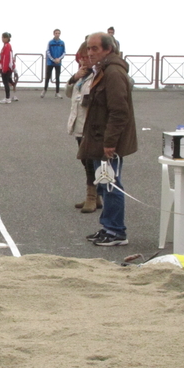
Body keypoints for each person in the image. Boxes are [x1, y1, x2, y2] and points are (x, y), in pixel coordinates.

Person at [78, 32, 138, 246]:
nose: (90, 53)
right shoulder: (100, 71)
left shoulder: (113, 72)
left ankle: (116, 231)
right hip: (97, 137)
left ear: (107, 50)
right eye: (88, 48)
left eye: (95, 48)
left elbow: (119, 110)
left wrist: (110, 142)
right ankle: (108, 227)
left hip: (107, 141)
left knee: (111, 185)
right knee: (103, 183)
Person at [65, 41, 101, 213]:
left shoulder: (98, 74)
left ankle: (92, 197)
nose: (84, 61)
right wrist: (74, 78)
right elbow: (68, 93)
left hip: (90, 124)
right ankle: (95, 195)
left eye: (86, 57)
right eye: (81, 57)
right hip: (79, 123)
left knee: (90, 161)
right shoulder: (82, 75)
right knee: (85, 160)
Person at [41, 29, 66, 98]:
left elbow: (64, 52)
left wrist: (59, 59)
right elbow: (48, 51)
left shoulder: (62, 42)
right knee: (48, 77)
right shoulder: (50, 42)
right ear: (54, 34)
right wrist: (53, 59)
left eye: (58, 33)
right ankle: (44, 90)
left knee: (57, 77)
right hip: (50, 62)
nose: (57, 34)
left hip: (58, 62)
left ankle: (57, 92)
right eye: (56, 33)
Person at [0, 32, 15, 104]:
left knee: (5, 82)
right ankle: (11, 96)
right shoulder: (6, 46)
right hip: (6, 67)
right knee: (8, 81)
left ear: (6, 38)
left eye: (3, 37)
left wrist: (4, 68)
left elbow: (7, 58)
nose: (2, 39)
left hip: (7, 67)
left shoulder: (7, 46)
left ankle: (8, 98)